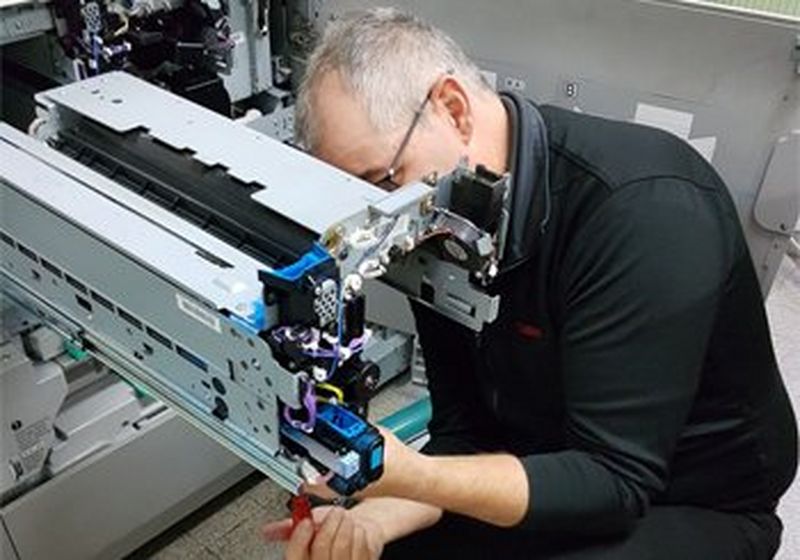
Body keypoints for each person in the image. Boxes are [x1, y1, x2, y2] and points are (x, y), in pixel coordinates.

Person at [263, 8, 798, 559]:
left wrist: (413, 477)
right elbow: (464, 429)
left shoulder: (644, 209)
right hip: (541, 454)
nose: (380, 217)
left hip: (688, 498)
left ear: (452, 109)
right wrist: (377, 518)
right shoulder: (430, 223)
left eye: (383, 180)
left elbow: (614, 483)